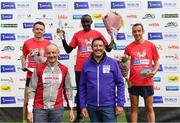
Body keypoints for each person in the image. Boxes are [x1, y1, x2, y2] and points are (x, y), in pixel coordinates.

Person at [59, 14, 114, 122]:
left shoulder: (97, 34)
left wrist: (113, 38)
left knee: (97, 90)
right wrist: (63, 38)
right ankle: (80, 116)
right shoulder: (77, 35)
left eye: (87, 22)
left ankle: (99, 113)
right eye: (83, 22)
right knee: (81, 91)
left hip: (96, 67)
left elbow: (108, 49)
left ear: (91, 22)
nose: (85, 24)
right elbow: (68, 50)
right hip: (80, 68)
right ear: (81, 23)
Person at [79, 38, 125, 122]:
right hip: (92, 107)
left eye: (100, 46)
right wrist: (83, 105)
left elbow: (120, 83)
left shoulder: (113, 63)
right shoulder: (86, 64)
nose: (98, 48)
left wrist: (120, 103)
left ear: (104, 47)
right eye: (95, 46)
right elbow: (82, 86)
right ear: (92, 48)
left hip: (109, 106)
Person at [27, 43, 75, 122]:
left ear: (58, 53)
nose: (51, 55)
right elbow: (32, 89)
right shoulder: (38, 68)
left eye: (53, 52)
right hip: (40, 108)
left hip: (57, 109)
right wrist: (29, 111)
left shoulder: (64, 69)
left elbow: (68, 90)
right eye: (49, 53)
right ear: (45, 54)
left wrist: (71, 109)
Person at [124, 23, 160, 122]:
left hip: (147, 81)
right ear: (132, 33)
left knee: (149, 108)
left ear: (143, 31)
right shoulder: (128, 47)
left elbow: (156, 62)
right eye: (134, 31)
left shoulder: (150, 45)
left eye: (139, 31)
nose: (137, 33)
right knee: (134, 108)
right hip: (133, 82)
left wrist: (154, 71)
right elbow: (125, 65)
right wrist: (125, 74)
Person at [21, 21, 51, 120]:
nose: (39, 31)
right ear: (33, 30)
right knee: (26, 100)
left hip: (43, 77)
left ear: (44, 31)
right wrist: (23, 66)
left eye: (41, 29)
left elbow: (51, 59)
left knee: (42, 101)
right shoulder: (27, 42)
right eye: (37, 29)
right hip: (30, 76)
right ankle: (26, 121)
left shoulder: (48, 43)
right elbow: (24, 56)